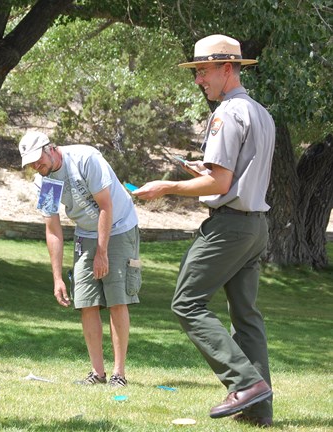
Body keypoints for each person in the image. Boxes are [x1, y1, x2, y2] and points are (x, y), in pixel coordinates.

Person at [133, 34, 274, 427]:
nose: (199, 80)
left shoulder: (227, 113)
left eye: (203, 71)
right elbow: (233, 174)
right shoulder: (261, 113)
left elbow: (220, 185)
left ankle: (245, 384)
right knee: (247, 317)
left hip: (228, 227)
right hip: (256, 227)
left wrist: (167, 187)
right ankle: (259, 410)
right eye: (197, 72)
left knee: (187, 303)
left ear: (227, 68)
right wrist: (204, 171)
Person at [18, 131, 141, 387]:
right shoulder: (45, 181)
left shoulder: (85, 159)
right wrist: (57, 278)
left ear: (50, 148)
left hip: (118, 225)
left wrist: (102, 253)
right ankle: (97, 373)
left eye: (38, 160)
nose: (36, 167)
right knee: (86, 300)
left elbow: (106, 207)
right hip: (85, 232)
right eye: (30, 164)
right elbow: (52, 230)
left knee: (117, 298)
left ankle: (119, 374)